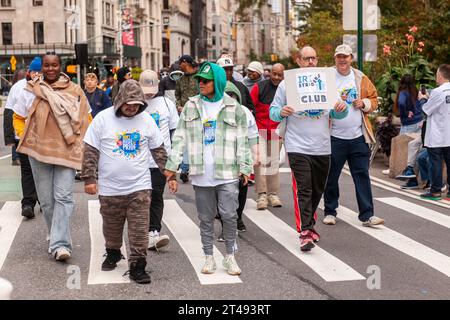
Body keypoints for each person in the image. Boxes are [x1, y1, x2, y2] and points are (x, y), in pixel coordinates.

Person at [81, 79, 174, 284]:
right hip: (110, 188)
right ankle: (113, 251)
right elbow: (90, 150)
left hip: (139, 187)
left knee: (139, 229)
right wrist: (89, 177)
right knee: (111, 228)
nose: (132, 109)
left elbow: (158, 150)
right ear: (120, 100)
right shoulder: (103, 119)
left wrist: (170, 173)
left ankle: (138, 266)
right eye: (128, 104)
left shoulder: (147, 120)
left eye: (136, 105)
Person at [165, 62, 253, 275]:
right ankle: (208, 256)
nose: (201, 84)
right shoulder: (191, 106)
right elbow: (179, 138)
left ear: (218, 82)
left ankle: (230, 256)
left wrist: (246, 167)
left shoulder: (235, 108)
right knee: (205, 218)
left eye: (205, 81)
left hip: (228, 171)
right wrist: (172, 168)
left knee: (230, 215)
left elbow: (243, 140)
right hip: (201, 172)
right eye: (199, 81)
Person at [13, 53, 90, 260]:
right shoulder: (29, 90)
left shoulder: (75, 90)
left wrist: (85, 146)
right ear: (42, 68)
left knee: (64, 196)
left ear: (60, 66)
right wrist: (25, 135)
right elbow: (18, 116)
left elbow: (85, 118)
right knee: (47, 201)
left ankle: (60, 244)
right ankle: (56, 233)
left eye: (54, 65)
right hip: (38, 153)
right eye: (46, 65)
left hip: (67, 150)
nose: (50, 69)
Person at [269, 46, 345, 251]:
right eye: (307, 58)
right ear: (299, 60)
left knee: (317, 189)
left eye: (314, 58)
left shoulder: (327, 83)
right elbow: (273, 112)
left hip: (321, 146)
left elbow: (337, 114)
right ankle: (305, 231)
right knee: (304, 188)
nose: (311, 61)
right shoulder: (287, 84)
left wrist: (341, 109)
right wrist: (282, 112)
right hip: (297, 145)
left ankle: (309, 225)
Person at [323, 44, 385, 227]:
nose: (342, 60)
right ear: (335, 58)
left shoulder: (360, 77)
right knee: (331, 175)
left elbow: (374, 99)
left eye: (346, 57)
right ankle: (330, 211)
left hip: (358, 136)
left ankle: (367, 215)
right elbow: (318, 100)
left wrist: (363, 103)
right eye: (339, 57)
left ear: (351, 58)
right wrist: (332, 105)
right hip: (334, 136)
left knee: (362, 175)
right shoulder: (326, 77)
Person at [139, 70, 179, 250]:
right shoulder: (135, 103)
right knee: (141, 197)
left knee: (156, 195)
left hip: (160, 160)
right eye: (145, 88)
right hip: (139, 159)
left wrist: (175, 159)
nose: (149, 92)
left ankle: (153, 231)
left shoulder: (166, 103)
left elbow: (174, 131)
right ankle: (142, 231)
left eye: (152, 88)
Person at [216, 81, 259, 238]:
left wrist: (256, 155)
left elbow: (253, 134)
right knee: (223, 194)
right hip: (221, 159)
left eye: (233, 96)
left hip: (241, 158)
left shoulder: (245, 112)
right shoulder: (216, 112)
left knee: (241, 190)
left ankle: (238, 217)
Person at [4, 59, 41, 219]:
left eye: (40, 72)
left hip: (45, 138)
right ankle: (28, 204)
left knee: (43, 170)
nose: (37, 74)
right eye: (34, 71)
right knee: (27, 170)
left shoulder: (50, 87)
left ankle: (44, 200)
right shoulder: (18, 87)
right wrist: (9, 138)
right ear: (29, 72)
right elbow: (9, 112)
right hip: (23, 136)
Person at [250, 63, 285, 210]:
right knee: (260, 163)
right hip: (260, 129)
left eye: (279, 75)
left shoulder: (285, 89)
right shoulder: (259, 87)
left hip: (277, 130)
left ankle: (273, 193)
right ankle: (262, 194)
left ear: (283, 75)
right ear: (269, 73)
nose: (276, 77)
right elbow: (251, 107)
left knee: (273, 163)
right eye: (274, 73)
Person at [420, 64, 450, 201]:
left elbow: (426, 110)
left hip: (438, 135)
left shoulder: (438, 92)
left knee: (435, 163)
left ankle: (435, 191)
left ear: (440, 75)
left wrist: (423, 98)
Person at [175, 55, 199, 183]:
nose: (179, 65)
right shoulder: (180, 79)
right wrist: (178, 105)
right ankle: (184, 169)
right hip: (183, 114)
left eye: (180, 63)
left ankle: (196, 166)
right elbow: (177, 94)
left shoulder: (199, 78)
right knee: (185, 141)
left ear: (186, 62)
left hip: (198, 114)